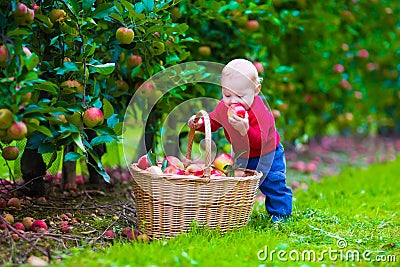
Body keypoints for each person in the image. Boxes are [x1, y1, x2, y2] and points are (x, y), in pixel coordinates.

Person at [188, 58, 292, 222]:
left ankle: (280, 215)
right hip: (243, 154)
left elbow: (261, 141)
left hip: (268, 154)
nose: (233, 101)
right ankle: (239, 214)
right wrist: (200, 124)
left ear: (256, 90)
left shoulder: (260, 112)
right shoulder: (224, 107)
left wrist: (245, 130)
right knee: (241, 186)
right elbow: (214, 121)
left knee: (273, 183)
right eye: (227, 95)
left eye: (240, 96)